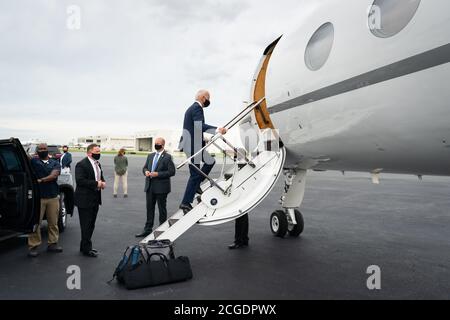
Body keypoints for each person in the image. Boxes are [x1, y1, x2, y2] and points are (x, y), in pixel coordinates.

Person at [179, 90, 227, 214]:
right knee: (195, 174)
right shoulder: (197, 108)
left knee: (210, 161)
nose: (208, 100)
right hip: (192, 145)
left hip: (194, 143)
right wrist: (217, 129)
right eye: (208, 98)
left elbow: (194, 127)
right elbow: (200, 125)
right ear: (203, 97)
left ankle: (197, 185)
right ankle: (185, 202)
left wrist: (203, 138)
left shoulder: (193, 109)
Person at [27, 143, 63, 257]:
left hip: (52, 196)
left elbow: (54, 175)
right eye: (40, 149)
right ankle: (33, 246)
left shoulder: (55, 163)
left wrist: (41, 180)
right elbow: (25, 156)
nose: (42, 150)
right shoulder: (34, 161)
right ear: (37, 151)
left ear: (48, 150)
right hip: (38, 198)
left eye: (44, 149)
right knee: (36, 223)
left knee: (53, 222)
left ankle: (53, 243)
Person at [136, 138, 176, 238]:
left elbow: (172, 172)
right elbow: (144, 167)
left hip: (162, 188)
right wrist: (145, 171)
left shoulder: (168, 157)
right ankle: (147, 229)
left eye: (157, 144)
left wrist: (157, 174)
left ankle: (162, 230)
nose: (156, 145)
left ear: (163, 145)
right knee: (149, 208)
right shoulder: (150, 156)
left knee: (161, 209)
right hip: (149, 186)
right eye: (155, 144)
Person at [74, 144, 105, 257]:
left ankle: (84, 246)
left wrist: (102, 182)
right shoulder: (81, 165)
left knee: (91, 224)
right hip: (84, 199)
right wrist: (97, 183)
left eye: (99, 151)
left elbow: (99, 176)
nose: (98, 153)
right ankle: (87, 249)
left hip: (95, 199)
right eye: (96, 151)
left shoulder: (98, 164)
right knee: (86, 225)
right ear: (89, 153)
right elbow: (80, 181)